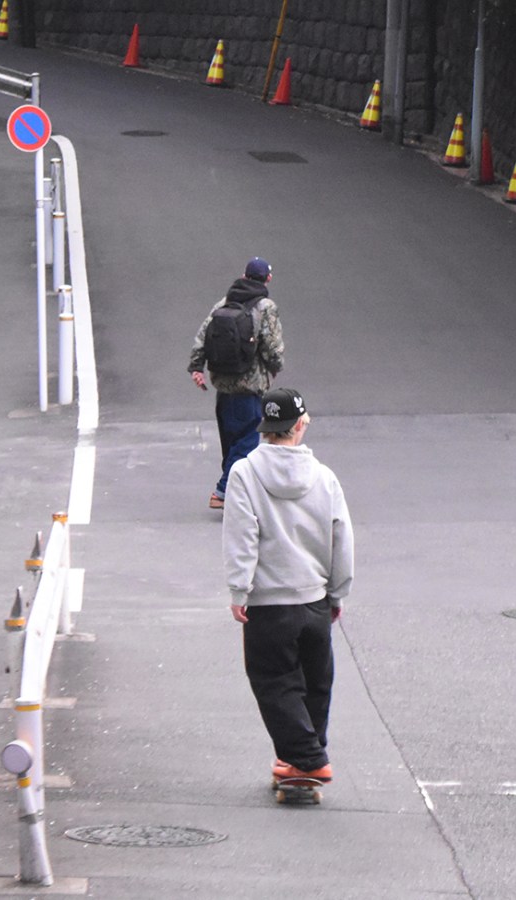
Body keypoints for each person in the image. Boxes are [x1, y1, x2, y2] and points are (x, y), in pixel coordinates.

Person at [222, 388, 354, 784]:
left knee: (274, 681)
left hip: (269, 602)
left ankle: (307, 759)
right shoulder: (325, 477)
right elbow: (341, 538)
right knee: (315, 683)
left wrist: (239, 590)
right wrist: (337, 591)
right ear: (300, 425)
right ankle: (303, 756)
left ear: (265, 427)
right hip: (314, 598)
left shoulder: (245, 474)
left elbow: (242, 537)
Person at [188, 257, 284, 510]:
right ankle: (223, 490)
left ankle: (236, 489)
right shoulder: (265, 307)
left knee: (231, 441)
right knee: (247, 441)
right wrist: (275, 368)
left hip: (222, 383)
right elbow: (272, 347)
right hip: (249, 385)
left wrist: (197, 367)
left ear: (244, 275)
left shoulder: (223, 303)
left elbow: (202, 336)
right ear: (268, 279)